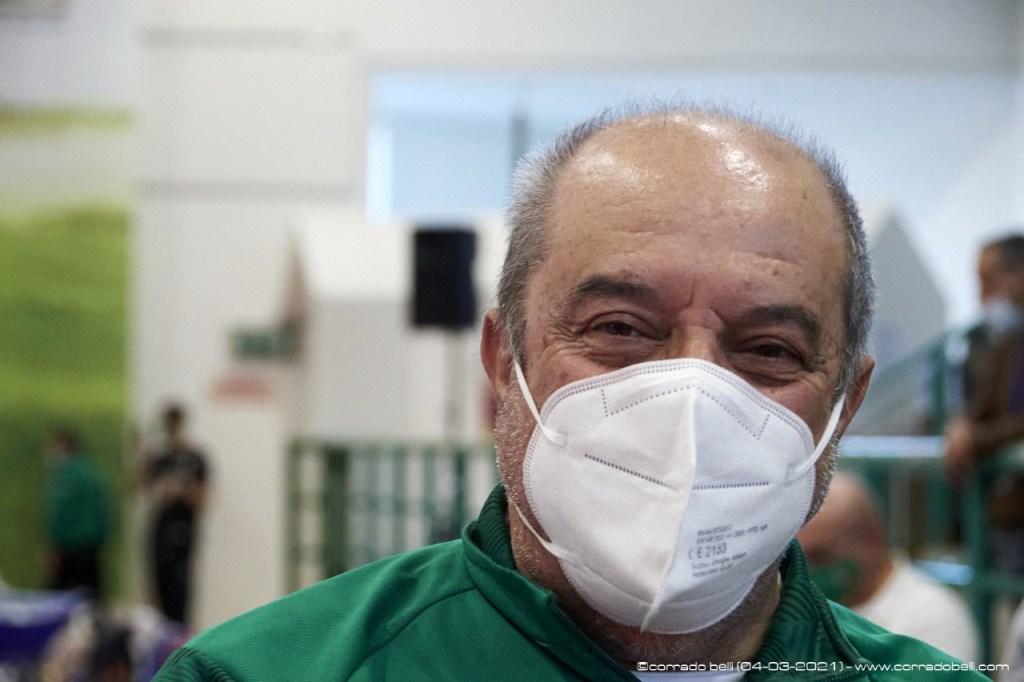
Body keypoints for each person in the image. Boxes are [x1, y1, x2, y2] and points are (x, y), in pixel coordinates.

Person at [154, 102, 984, 680]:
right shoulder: (264, 675)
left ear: (844, 404)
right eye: (619, 328)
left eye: (769, 349)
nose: (690, 400)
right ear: (501, 360)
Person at [797, 471, 979, 662]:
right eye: (798, 556)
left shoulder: (931, 615)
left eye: (819, 556)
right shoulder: (803, 609)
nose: (806, 570)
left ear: (869, 539)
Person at [944, 233, 1024, 575]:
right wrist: (960, 427)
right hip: (1007, 513)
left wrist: (977, 439)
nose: (982, 296)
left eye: (989, 281)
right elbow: (982, 404)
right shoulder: (1008, 342)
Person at [140, 403, 210, 625]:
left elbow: (203, 499)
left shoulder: (194, 458)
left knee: (180, 592)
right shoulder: (159, 458)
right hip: (160, 530)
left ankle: (181, 635)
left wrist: (181, 490)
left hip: (182, 532)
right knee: (158, 590)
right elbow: (142, 488)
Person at [44, 427, 110, 600]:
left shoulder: (65, 476)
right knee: (91, 596)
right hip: (91, 546)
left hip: (70, 547)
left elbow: (61, 513)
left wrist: (55, 545)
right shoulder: (92, 472)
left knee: (59, 598)